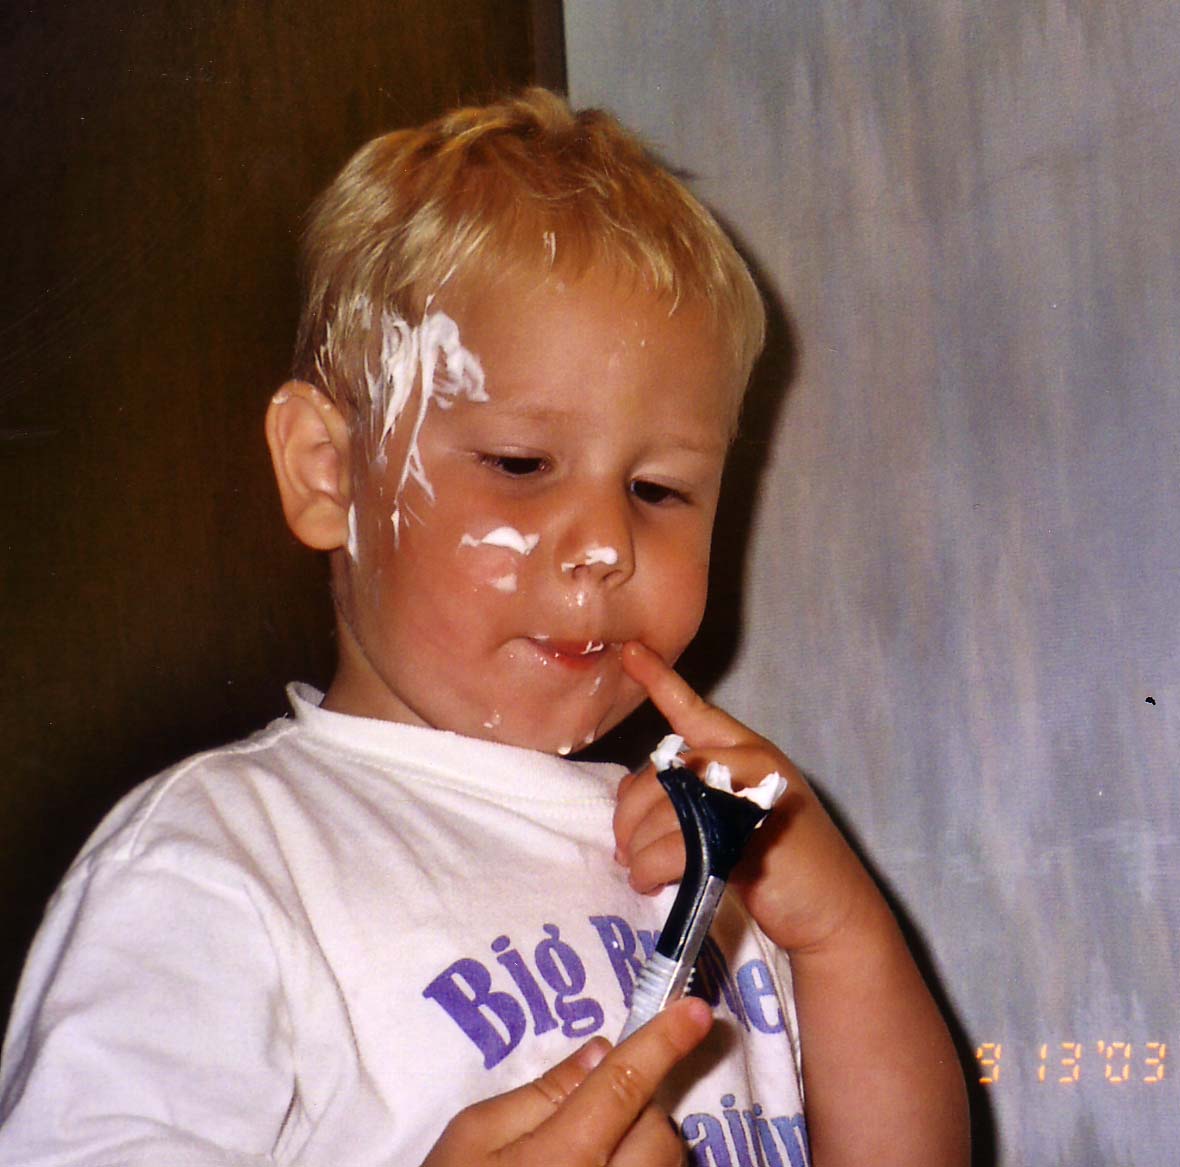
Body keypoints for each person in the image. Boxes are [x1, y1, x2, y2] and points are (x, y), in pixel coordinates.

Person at [0, 89, 968, 1165]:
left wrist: (840, 934)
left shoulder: (700, 849)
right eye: (520, 464)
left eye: (656, 489)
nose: (603, 545)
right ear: (329, 475)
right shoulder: (222, 861)